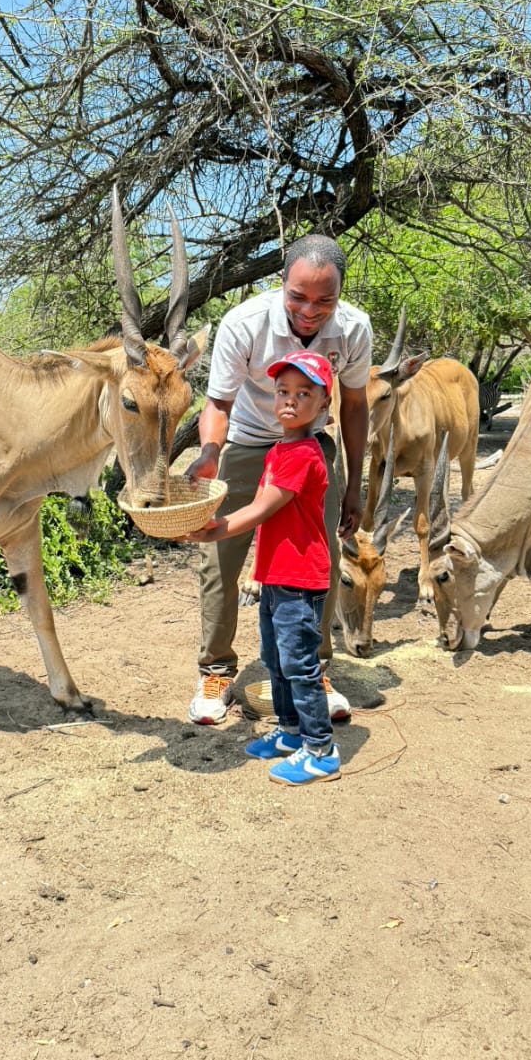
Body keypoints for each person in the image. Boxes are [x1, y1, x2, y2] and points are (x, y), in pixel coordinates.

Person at [185, 233, 372, 726]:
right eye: (298, 297)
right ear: (280, 284)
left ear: (340, 294)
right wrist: (210, 454)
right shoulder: (244, 324)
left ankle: (316, 667)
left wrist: (353, 482)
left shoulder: (353, 329)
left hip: (311, 446)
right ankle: (216, 670)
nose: (310, 311)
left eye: (324, 301)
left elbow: (354, 405)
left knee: (319, 560)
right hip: (247, 441)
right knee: (220, 558)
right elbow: (219, 402)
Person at [186, 352, 341, 784]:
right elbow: (267, 519)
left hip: (300, 578)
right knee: (275, 660)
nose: (289, 401)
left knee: (300, 664)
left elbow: (261, 509)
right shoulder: (279, 449)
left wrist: (215, 529)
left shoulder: (305, 454)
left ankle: (320, 749)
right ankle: (291, 732)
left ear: (325, 406)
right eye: (283, 392)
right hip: (277, 576)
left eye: (304, 394)